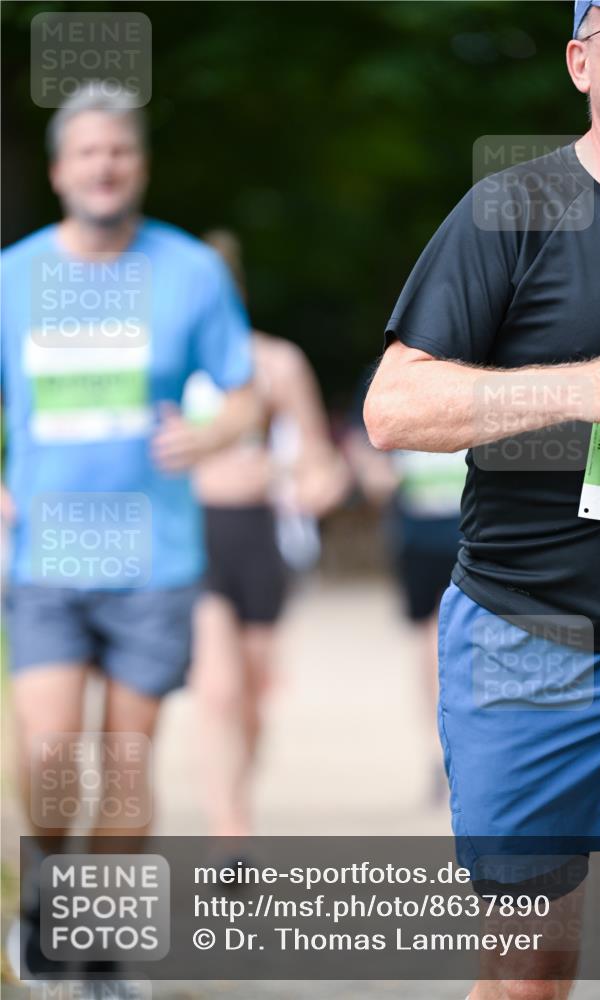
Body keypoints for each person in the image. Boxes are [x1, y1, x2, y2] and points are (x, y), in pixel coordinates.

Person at [364, 3, 600, 998]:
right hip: (531, 636)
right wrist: (575, 389)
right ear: (582, 62)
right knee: (528, 970)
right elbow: (393, 407)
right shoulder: (516, 210)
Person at [1, 84, 256, 980]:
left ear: (138, 165)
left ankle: (99, 941)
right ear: (59, 168)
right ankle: (47, 888)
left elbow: (244, 390)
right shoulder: (14, 276)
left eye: (120, 151)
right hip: (46, 554)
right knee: (49, 751)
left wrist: (217, 431)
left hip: (155, 559)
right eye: (87, 152)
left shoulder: (188, 270)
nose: (104, 166)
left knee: (126, 762)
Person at [186, 229, 348, 838]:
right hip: (192, 534)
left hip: (259, 534)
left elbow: (315, 457)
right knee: (219, 690)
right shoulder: (164, 365)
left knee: (251, 695)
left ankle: (237, 796)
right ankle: (230, 836)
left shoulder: (276, 363)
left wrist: (320, 481)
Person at [346, 370, 467, 804]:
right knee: (430, 647)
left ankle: (481, 753)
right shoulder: (388, 373)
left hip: (483, 534)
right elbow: (362, 439)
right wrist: (372, 472)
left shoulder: (497, 360)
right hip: (420, 536)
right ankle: (442, 754)